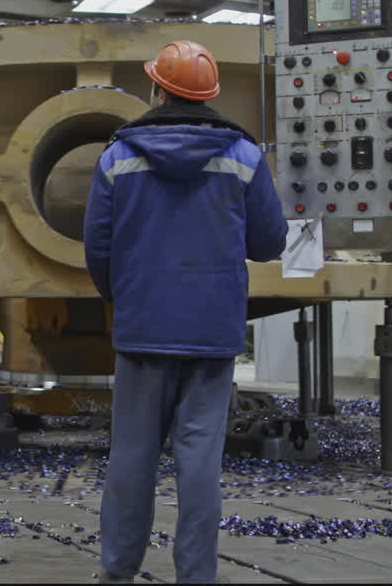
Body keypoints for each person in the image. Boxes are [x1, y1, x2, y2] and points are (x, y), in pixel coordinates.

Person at [83, 40, 288, 584]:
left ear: (157, 89)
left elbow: (97, 248)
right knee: (199, 462)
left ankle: (117, 571)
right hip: (212, 332)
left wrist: (122, 299)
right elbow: (269, 242)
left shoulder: (116, 158)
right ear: (209, 95)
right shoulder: (243, 157)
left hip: (143, 327)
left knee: (132, 456)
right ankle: (196, 576)